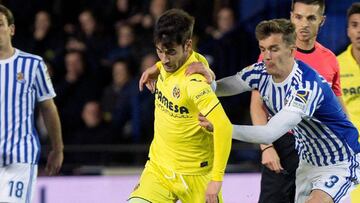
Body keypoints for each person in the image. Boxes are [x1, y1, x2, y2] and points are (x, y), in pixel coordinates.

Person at [190, 18, 360, 203]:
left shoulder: (305, 86)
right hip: (308, 162)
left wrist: (222, 127)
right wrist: (206, 80)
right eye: (263, 49)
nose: (267, 56)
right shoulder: (260, 72)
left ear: (292, 50)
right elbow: (225, 87)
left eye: (274, 49)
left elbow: (269, 133)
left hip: (340, 161)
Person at [128, 9, 233, 203]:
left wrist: (216, 179)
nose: (165, 59)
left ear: (188, 46)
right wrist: (157, 67)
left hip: (197, 175)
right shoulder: (174, 63)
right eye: (160, 51)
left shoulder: (194, 82)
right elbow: (173, 62)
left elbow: (224, 127)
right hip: (159, 170)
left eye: (171, 52)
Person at [251, 1, 348, 202]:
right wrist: (267, 147)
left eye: (311, 18)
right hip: (282, 145)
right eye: (299, 17)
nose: (304, 24)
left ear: (322, 20)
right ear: (291, 17)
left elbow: (339, 109)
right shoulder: (271, 55)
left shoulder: (330, 59)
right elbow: (256, 105)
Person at [0, 5, 63, 203]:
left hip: (20, 158)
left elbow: (48, 107)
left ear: (11, 29)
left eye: (0, 24)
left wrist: (57, 148)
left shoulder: (32, 64)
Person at [337, 2, 360, 202]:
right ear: (348, 30)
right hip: (350, 151)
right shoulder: (337, 65)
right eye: (355, 25)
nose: (359, 31)